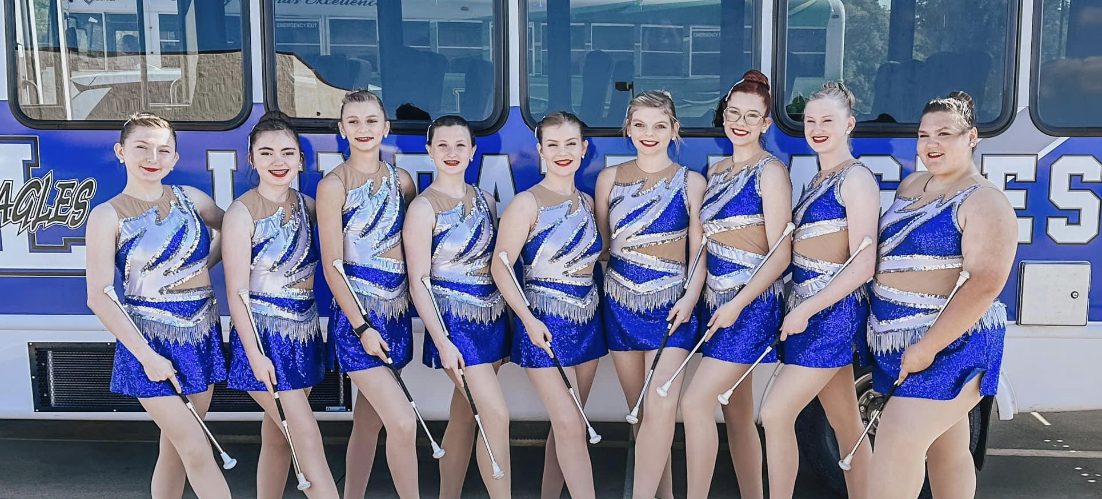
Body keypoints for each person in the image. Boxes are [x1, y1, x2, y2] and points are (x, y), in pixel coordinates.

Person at [866, 91, 1015, 499]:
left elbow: (986, 282)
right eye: (923, 134)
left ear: (972, 138)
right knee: (946, 448)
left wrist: (928, 347)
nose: (931, 143)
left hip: (953, 345)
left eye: (945, 134)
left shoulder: (985, 201)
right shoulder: (914, 184)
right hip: (897, 339)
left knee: (896, 443)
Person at [84, 112, 231, 499]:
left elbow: (237, 233)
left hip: (201, 335)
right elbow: (98, 295)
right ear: (121, 152)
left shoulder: (194, 199)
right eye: (142, 147)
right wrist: (148, 356)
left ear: (175, 158)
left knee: (175, 450)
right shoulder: (107, 215)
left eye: (163, 149)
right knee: (198, 448)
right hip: (147, 344)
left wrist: (200, 266)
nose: (153, 156)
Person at [758, 81, 878, 499]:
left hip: (833, 315)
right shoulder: (817, 178)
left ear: (849, 124)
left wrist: (807, 309)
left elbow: (864, 263)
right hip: (811, 311)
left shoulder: (857, 179)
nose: (817, 127)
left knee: (774, 414)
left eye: (827, 120)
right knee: (847, 425)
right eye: (810, 121)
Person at [679, 70, 792, 499]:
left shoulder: (771, 172)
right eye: (733, 113)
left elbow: (780, 254)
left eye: (751, 116)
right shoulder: (718, 169)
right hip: (716, 302)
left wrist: (737, 305)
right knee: (738, 414)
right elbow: (705, 244)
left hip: (751, 305)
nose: (740, 123)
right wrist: (694, 296)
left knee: (694, 404)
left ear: (766, 123)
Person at [594, 90, 706, 499]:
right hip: (621, 305)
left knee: (661, 408)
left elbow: (699, 254)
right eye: (639, 125)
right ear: (628, 128)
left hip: (672, 308)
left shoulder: (692, 182)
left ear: (674, 130)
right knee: (640, 413)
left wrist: (688, 300)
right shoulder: (609, 179)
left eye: (659, 125)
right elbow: (603, 249)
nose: (649, 133)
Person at [223, 111, 338, 498]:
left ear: (301, 160)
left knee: (277, 437)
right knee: (305, 438)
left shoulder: (309, 205)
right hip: (264, 341)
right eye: (267, 153)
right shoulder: (241, 214)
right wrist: (254, 355)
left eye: (288, 153)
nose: (279, 162)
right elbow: (237, 292)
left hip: (303, 335)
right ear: (252, 159)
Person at [490, 111, 605, 499]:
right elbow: (500, 267)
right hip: (543, 324)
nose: (562, 152)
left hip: (587, 322)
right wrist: (527, 319)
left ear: (583, 149)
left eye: (570, 144)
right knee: (572, 424)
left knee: (567, 424)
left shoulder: (588, 202)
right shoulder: (527, 203)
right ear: (540, 150)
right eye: (552, 144)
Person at [316, 90, 420, 498]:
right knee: (403, 421)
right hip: (357, 319)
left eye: (371, 121)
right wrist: (361, 326)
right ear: (342, 129)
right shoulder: (333, 185)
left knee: (370, 420)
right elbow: (332, 265)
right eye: (354, 122)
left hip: (394, 315)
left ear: (386, 127)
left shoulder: (403, 181)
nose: (363, 129)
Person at [404, 115, 511, 498]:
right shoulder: (422, 208)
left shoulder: (488, 200)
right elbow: (419, 282)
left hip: (492, 320)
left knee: (466, 415)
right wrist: (442, 340)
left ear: (473, 151)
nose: (452, 153)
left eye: (460, 145)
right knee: (494, 416)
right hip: (454, 327)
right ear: (429, 151)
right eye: (443, 146)